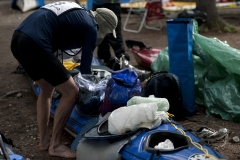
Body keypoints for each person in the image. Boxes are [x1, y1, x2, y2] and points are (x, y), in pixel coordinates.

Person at [10, 1, 117, 158]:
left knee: (46, 88)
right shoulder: (91, 26)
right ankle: (56, 145)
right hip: (35, 42)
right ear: (103, 25)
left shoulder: (79, 13)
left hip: (18, 39)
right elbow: (85, 71)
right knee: (71, 92)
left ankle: (44, 141)